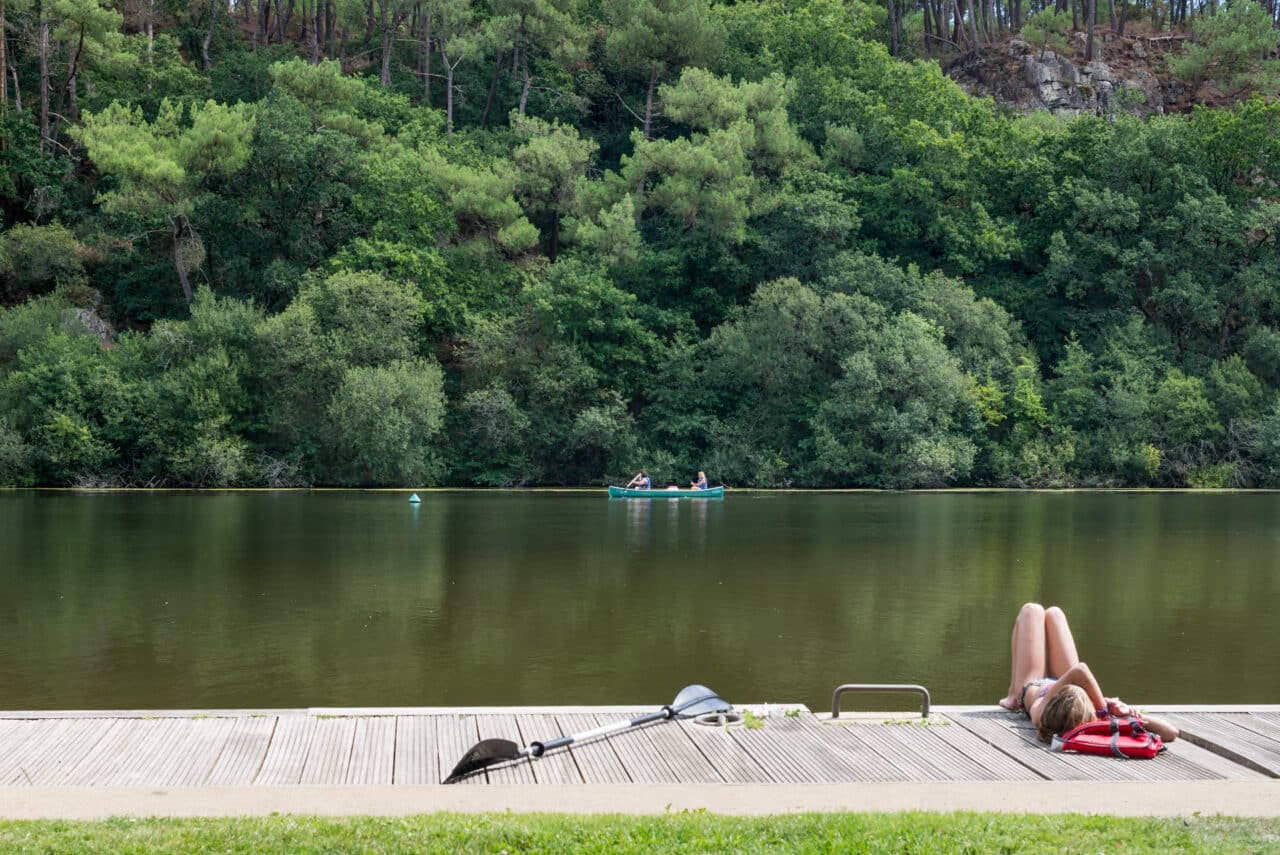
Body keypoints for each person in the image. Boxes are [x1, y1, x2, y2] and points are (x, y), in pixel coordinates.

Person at [998, 603, 1179, 744]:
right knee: (1055, 613)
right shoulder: (1092, 720)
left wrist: (1103, 708)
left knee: (1032, 611)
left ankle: (1013, 695)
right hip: (1066, 689)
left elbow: (1080, 671)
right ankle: (1016, 693)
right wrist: (1127, 715)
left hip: (1035, 684)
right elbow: (1171, 732)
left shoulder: (1041, 716)